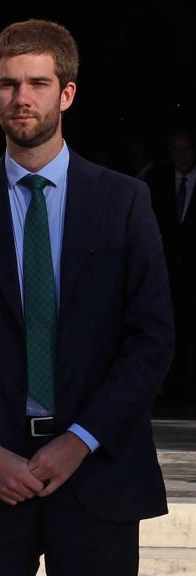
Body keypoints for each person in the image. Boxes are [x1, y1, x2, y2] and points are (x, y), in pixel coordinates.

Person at [0, 20, 174, 576]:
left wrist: (79, 440)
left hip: (99, 472)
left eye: (38, 83)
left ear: (66, 93)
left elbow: (153, 338)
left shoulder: (125, 202)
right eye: (8, 84)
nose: (22, 98)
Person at [144, 129, 196, 411]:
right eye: (177, 150)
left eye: (187, 149)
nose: (182, 156)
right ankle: (171, 392)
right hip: (166, 276)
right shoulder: (156, 183)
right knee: (168, 331)